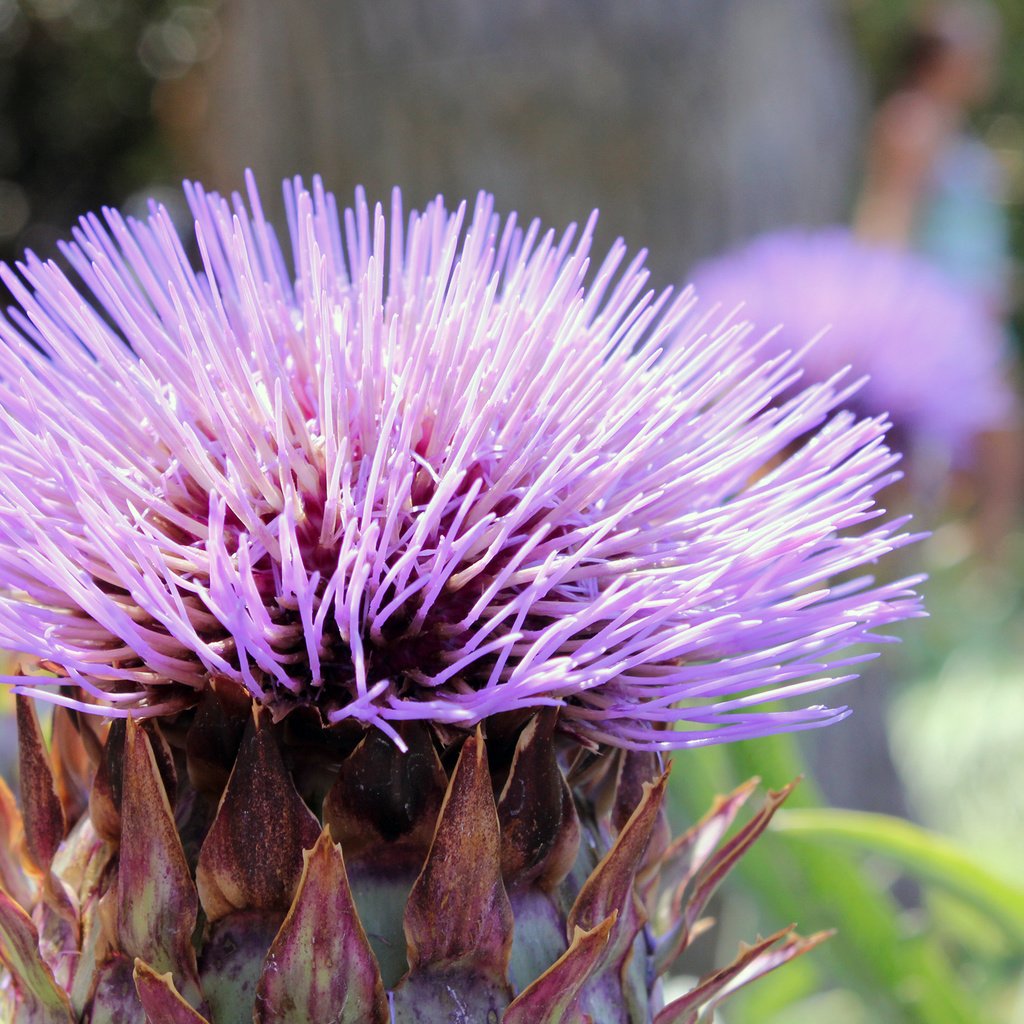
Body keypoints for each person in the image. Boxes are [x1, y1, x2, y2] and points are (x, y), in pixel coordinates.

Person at [855, 1, 1021, 560]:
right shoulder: (912, 121)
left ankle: (967, 578)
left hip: (978, 324)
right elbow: (888, 218)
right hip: (940, 325)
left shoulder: (956, 128)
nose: (986, 62)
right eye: (975, 50)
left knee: (986, 461)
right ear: (940, 56)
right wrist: (885, 316)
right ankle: (956, 582)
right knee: (979, 455)